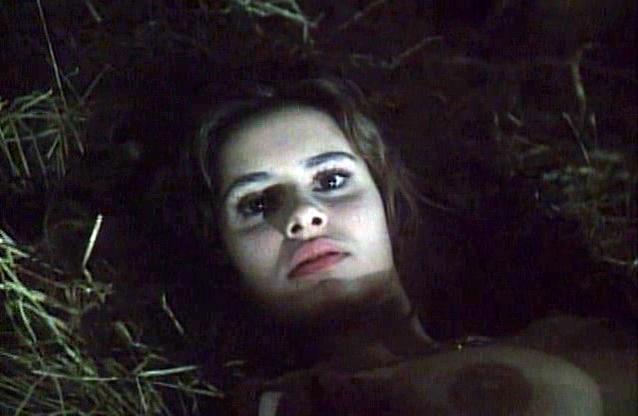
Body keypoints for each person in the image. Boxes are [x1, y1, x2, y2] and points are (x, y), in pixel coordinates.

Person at [180, 71, 634, 415]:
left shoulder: (571, 335)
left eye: (332, 179)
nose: (302, 215)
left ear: (385, 199)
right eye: (258, 203)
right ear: (224, 254)